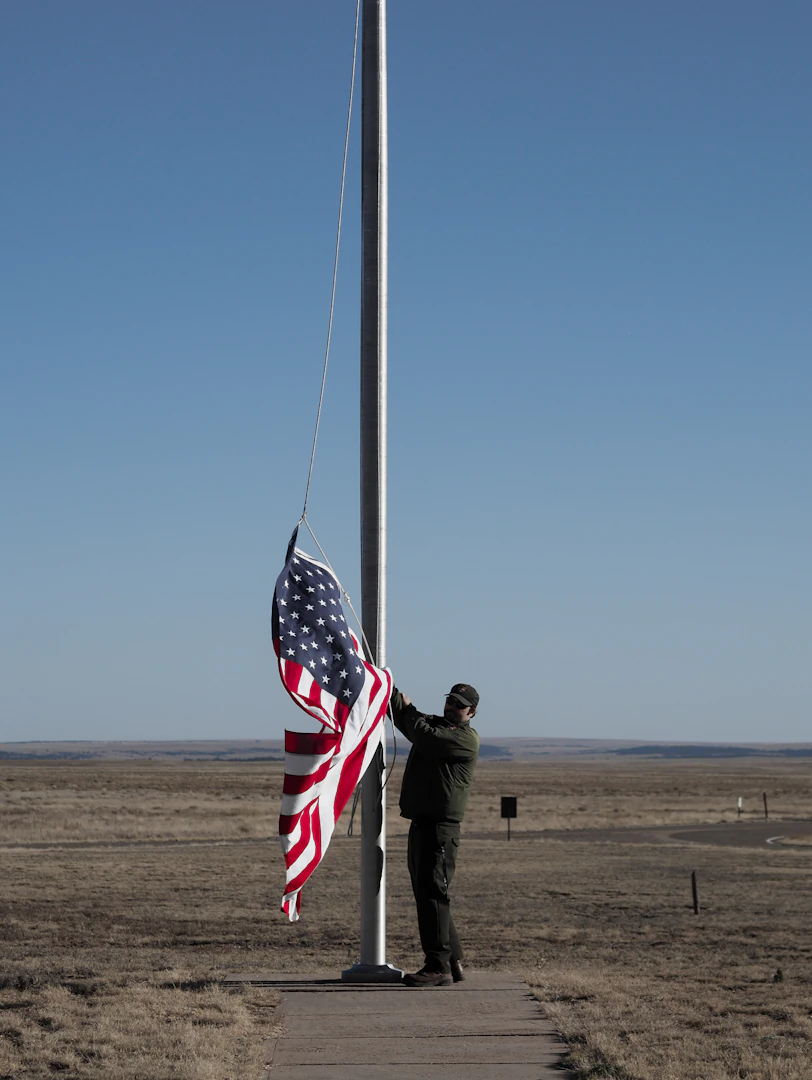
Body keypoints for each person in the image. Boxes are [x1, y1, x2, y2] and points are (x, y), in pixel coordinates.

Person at [390, 682, 480, 987]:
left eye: (459, 705)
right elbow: (406, 719)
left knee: (433, 895)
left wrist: (410, 710)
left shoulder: (464, 739)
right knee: (430, 894)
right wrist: (389, 689)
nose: (452, 707)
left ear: (472, 712)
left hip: (441, 828)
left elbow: (422, 734)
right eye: (450, 702)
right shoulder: (437, 727)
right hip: (423, 823)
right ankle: (452, 960)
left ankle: (437, 966)